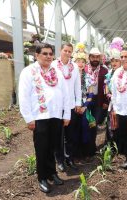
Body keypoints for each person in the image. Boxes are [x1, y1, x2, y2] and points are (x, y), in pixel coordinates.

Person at [18, 43, 70, 193]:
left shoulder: (57, 72)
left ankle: (52, 173)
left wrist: (66, 114)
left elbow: (65, 94)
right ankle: (42, 177)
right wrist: (28, 118)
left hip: (55, 115)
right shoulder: (29, 72)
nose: (48, 56)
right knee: (41, 148)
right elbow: (23, 96)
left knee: (53, 146)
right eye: (45, 53)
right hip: (39, 117)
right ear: (37, 55)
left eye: (50, 54)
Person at [52, 43, 81, 171]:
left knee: (70, 135)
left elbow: (77, 86)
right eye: (65, 51)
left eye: (70, 51)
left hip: (70, 105)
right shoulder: (53, 65)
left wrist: (78, 102)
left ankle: (70, 158)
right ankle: (59, 160)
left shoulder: (74, 66)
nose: (67, 53)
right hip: (57, 106)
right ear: (60, 50)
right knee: (58, 135)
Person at [110, 47, 127, 167]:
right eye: (121, 57)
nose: (123, 59)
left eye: (126, 56)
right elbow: (114, 92)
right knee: (124, 136)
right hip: (121, 110)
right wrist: (115, 108)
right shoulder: (117, 72)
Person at [87, 47, 109, 155]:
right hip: (86, 100)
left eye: (97, 57)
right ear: (89, 57)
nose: (95, 59)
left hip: (99, 100)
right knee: (86, 123)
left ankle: (91, 147)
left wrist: (106, 101)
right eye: (93, 57)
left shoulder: (104, 70)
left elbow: (106, 87)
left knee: (94, 123)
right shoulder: (84, 69)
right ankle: (85, 146)